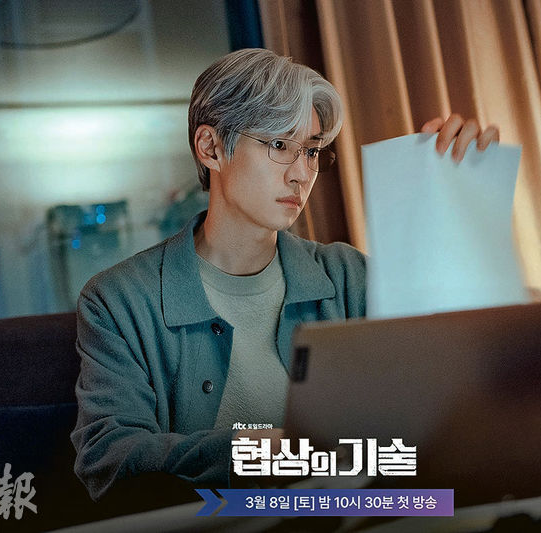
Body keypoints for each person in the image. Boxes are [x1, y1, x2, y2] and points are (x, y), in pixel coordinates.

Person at [71, 47, 500, 501]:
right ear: (210, 148)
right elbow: (110, 460)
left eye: (312, 151)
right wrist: (266, 452)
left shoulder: (349, 276)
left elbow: (450, 401)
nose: (302, 174)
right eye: (279, 145)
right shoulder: (118, 300)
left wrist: (460, 197)